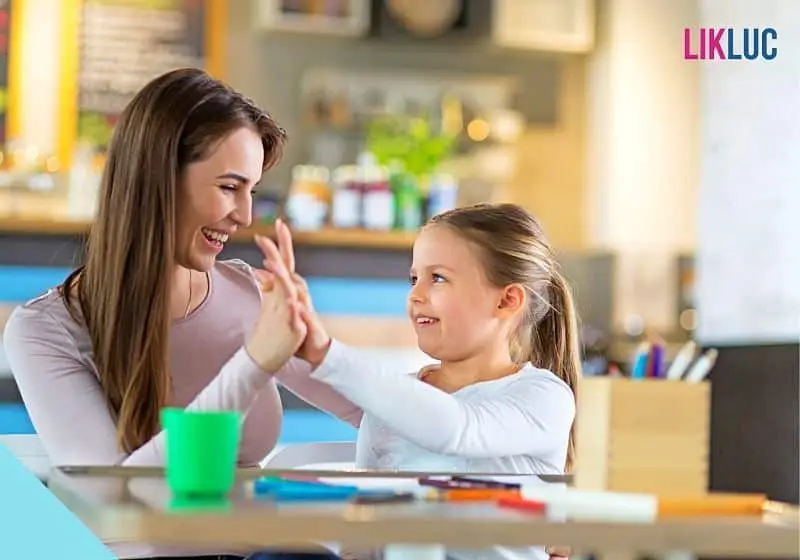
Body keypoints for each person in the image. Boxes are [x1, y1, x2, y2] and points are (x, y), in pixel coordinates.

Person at [2, 68, 356, 560]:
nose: (245, 215)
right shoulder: (46, 330)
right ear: (159, 177)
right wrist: (251, 365)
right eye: (230, 187)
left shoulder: (248, 294)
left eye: (251, 190)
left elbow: (364, 405)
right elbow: (116, 496)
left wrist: (479, 384)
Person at [260, 203, 579, 560]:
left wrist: (326, 354)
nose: (415, 295)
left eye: (438, 278)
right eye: (414, 278)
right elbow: (362, 536)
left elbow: (456, 429)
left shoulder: (543, 396)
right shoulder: (394, 403)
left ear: (507, 300)